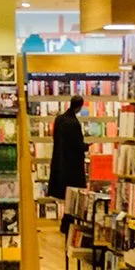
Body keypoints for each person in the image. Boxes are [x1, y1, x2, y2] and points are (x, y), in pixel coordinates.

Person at [47, 95, 88, 234]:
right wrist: (87, 146)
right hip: (72, 166)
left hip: (60, 162)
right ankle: (68, 223)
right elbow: (78, 145)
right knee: (74, 195)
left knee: (66, 195)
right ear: (79, 106)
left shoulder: (59, 119)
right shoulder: (74, 123)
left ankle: (66, 222)